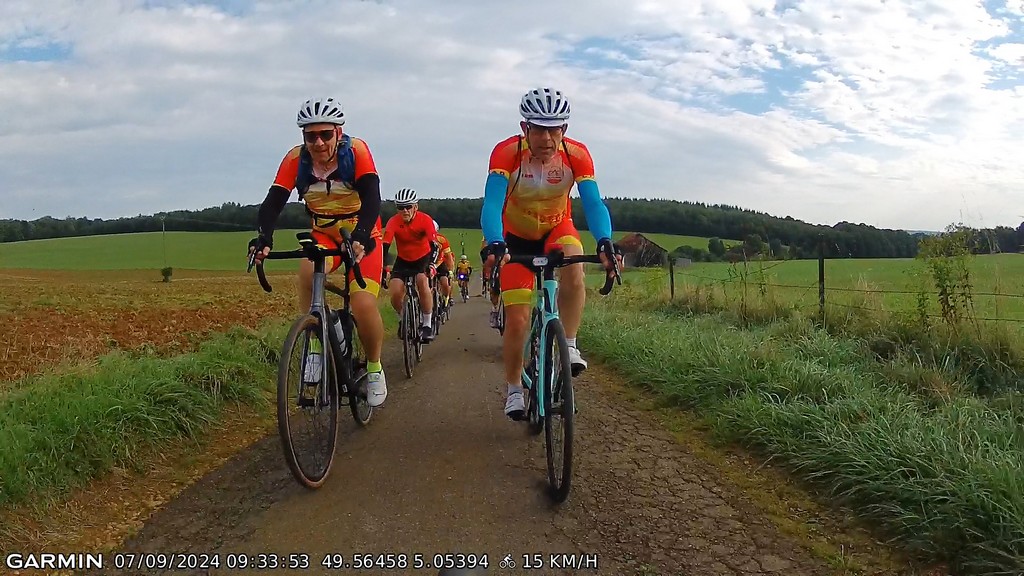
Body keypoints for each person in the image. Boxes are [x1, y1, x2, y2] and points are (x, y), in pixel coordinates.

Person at [480, 87, 618, 420]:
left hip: (557, 229)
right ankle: (514, 389)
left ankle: (568, 344)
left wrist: (604, 240)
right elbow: (492, 203)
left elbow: (593, 203)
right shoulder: (507, 152)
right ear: (524, 128)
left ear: (564, 129)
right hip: (515, 238)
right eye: (538, 129)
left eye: (554, 129)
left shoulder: (576, 154)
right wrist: (496, 241)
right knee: (517, 320)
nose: (546, 138)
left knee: (574, 262)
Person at [248, 97, 388, 407]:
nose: (319, 143)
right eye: (311, 136)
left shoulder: (357, 151)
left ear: (338, 133)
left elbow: (372, 197)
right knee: (307, 273)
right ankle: (316, 346)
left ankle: (375, 368)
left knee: (363, 303)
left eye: (325, 134)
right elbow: (273, 202)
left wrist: (361, 236)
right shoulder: (295, 160)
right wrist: (264, 237)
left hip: (361, 233)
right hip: (324, 233)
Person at [382, 188, 439, 343]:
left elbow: (434, 245)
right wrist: (383, 268)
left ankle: (427, 324)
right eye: (401, 207)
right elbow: (385, 246)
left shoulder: (425, 220)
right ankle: (404, 318)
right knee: (395, 291)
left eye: (408, 206)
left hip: (423, 258)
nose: (405, 210)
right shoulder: (393, 221)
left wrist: (431, 264)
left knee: (422, 281)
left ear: (416, 207)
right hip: (403, 260)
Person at [433, 223, 455, 308]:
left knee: (445, 282)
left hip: (439, 263)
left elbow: (448, 256)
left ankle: (447, 298)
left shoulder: (441, 239)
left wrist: (450, 271)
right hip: (427, 263)